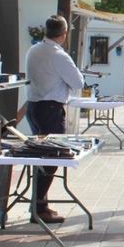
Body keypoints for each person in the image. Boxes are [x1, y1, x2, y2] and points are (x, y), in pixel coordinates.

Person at [24, 15, 84, 224]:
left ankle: (39, 203)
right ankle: (39, 207)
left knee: (42, 157)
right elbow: (78, 81)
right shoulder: (59, 55)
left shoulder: (33, 50)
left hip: (34, 106)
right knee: (51, 158)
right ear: (64, 34)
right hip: (50, 108)